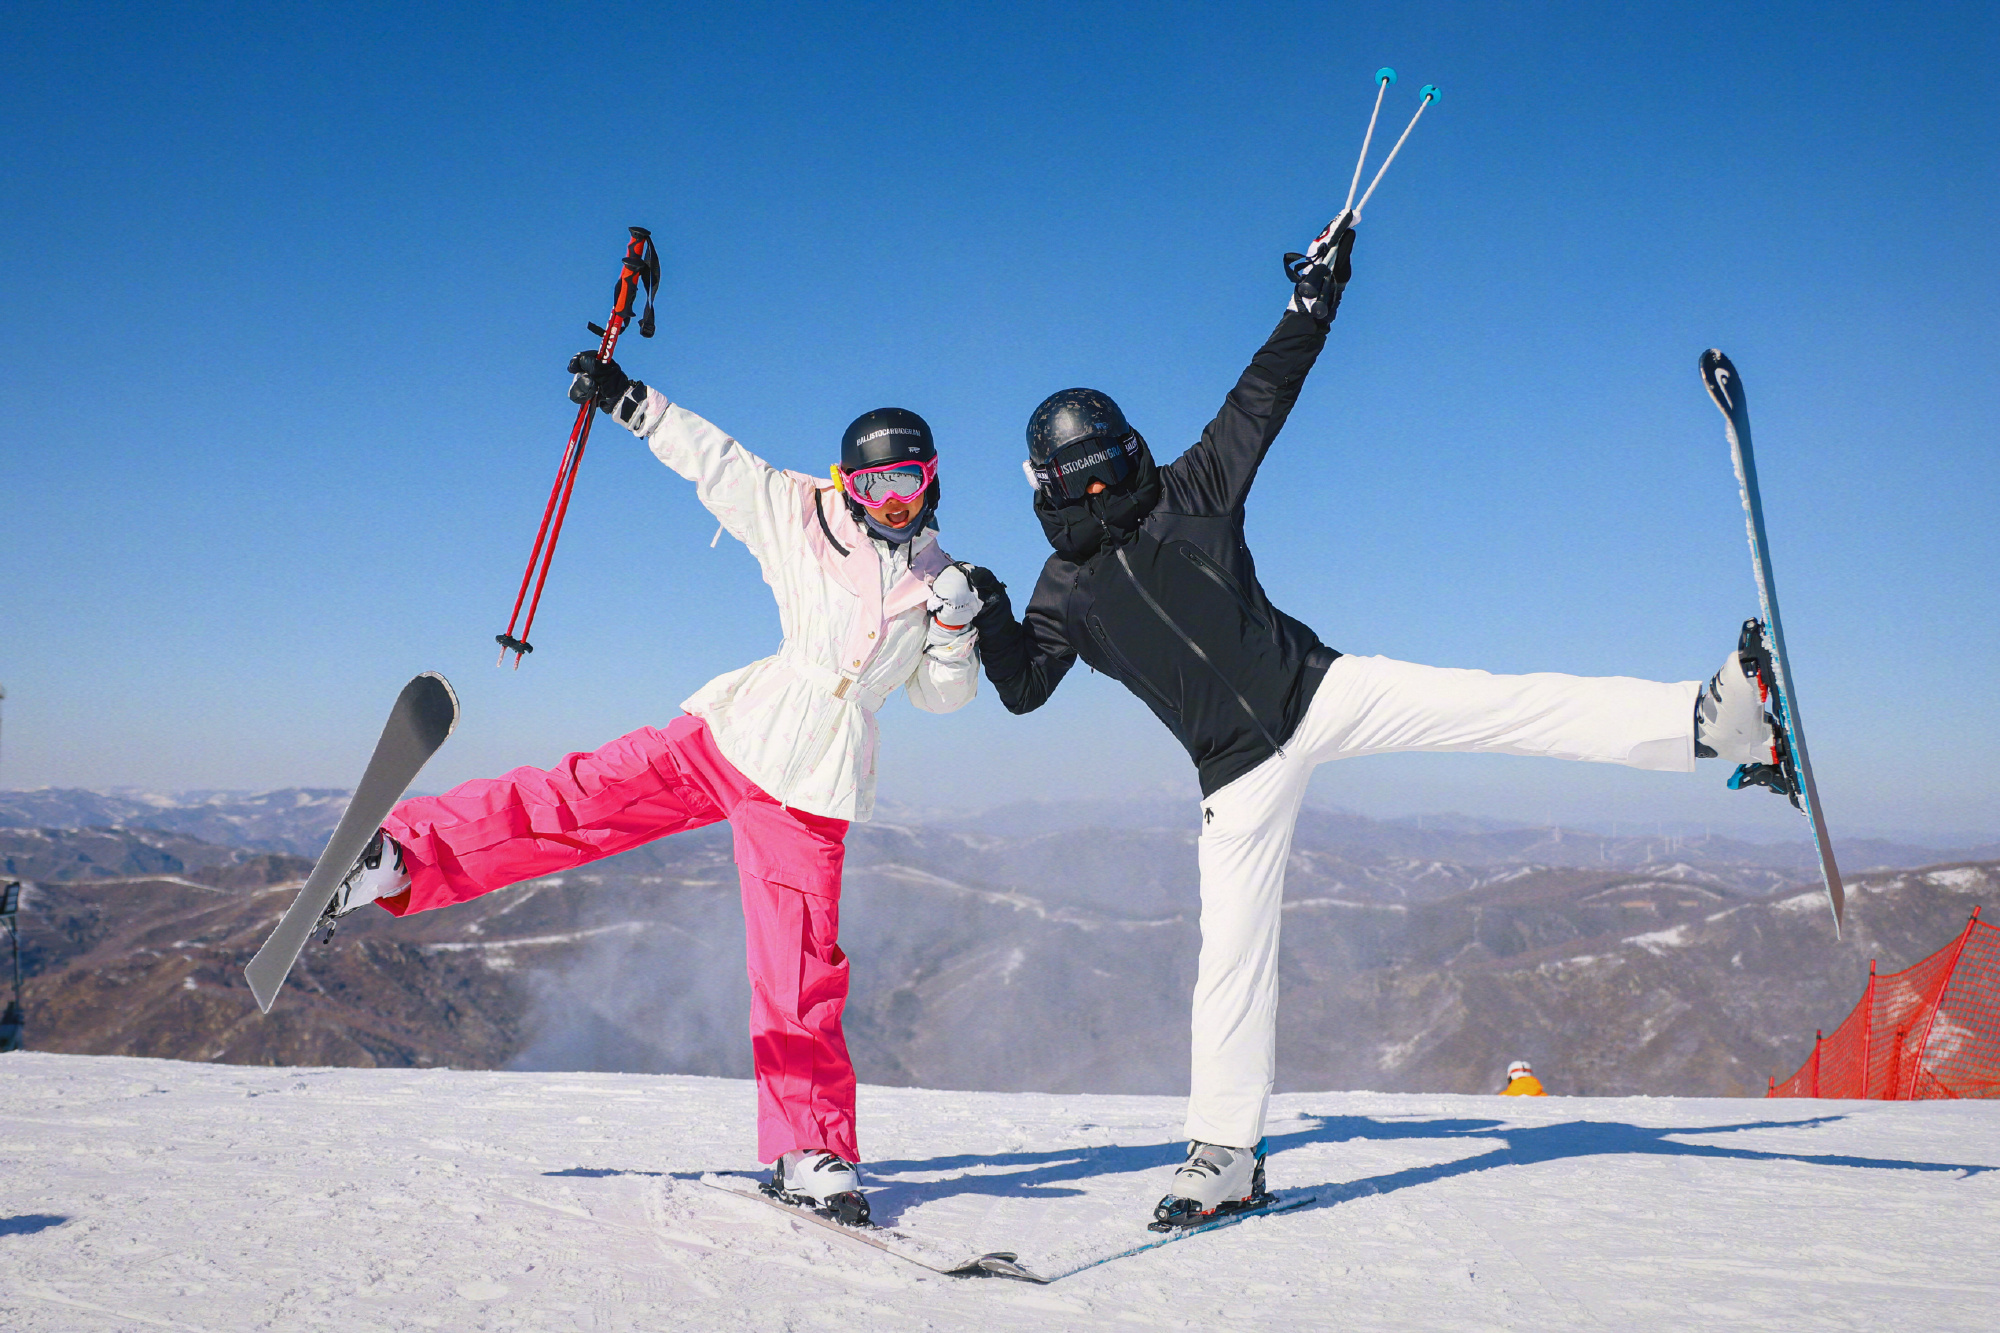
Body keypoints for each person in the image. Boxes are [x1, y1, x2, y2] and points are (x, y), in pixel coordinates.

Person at [961, 221, 1782, 1229]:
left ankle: (1714, 721)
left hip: (1319, 691)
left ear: (1119, 458)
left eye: (1106, 469)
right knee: (1231, 956)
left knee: (1497, 704)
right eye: (1082, 477)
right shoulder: (1061, 591)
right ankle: (1223, 1154)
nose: (1099, 491)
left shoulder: (1192, 489)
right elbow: (1019, 686)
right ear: (1054, 487)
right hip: (1236, 774)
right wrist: (990, 615)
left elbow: (1263, 392)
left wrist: (1313, 300)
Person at [315, 353, 987, 1226]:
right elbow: (719, 463)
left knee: (800, 969)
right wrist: (634, 402)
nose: (890, 501)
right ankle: (400, 856)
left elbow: (938, 695)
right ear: (846, 484)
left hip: (813, 787)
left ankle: (810, 1147)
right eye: (873, 483)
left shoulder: (942, 577)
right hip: (735, 729)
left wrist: (955, 634)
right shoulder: (802, 514)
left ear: (930, 480)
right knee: (575, 800)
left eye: (905, 481)